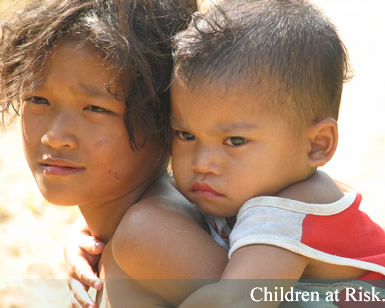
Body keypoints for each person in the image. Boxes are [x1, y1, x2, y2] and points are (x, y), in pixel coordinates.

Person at [168, 0, 385, 307]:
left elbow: (235, 302)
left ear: (317, 145)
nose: (201, 163)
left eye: (236, 141)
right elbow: (151, 191)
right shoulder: (238, 183)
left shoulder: (287, 211)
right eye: (186, 135)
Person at [0, 0, 232, 307]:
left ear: (165, 121)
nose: (55, 137)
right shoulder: (122, 228)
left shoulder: (147, 234)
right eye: (38, 99)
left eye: (95, 108)